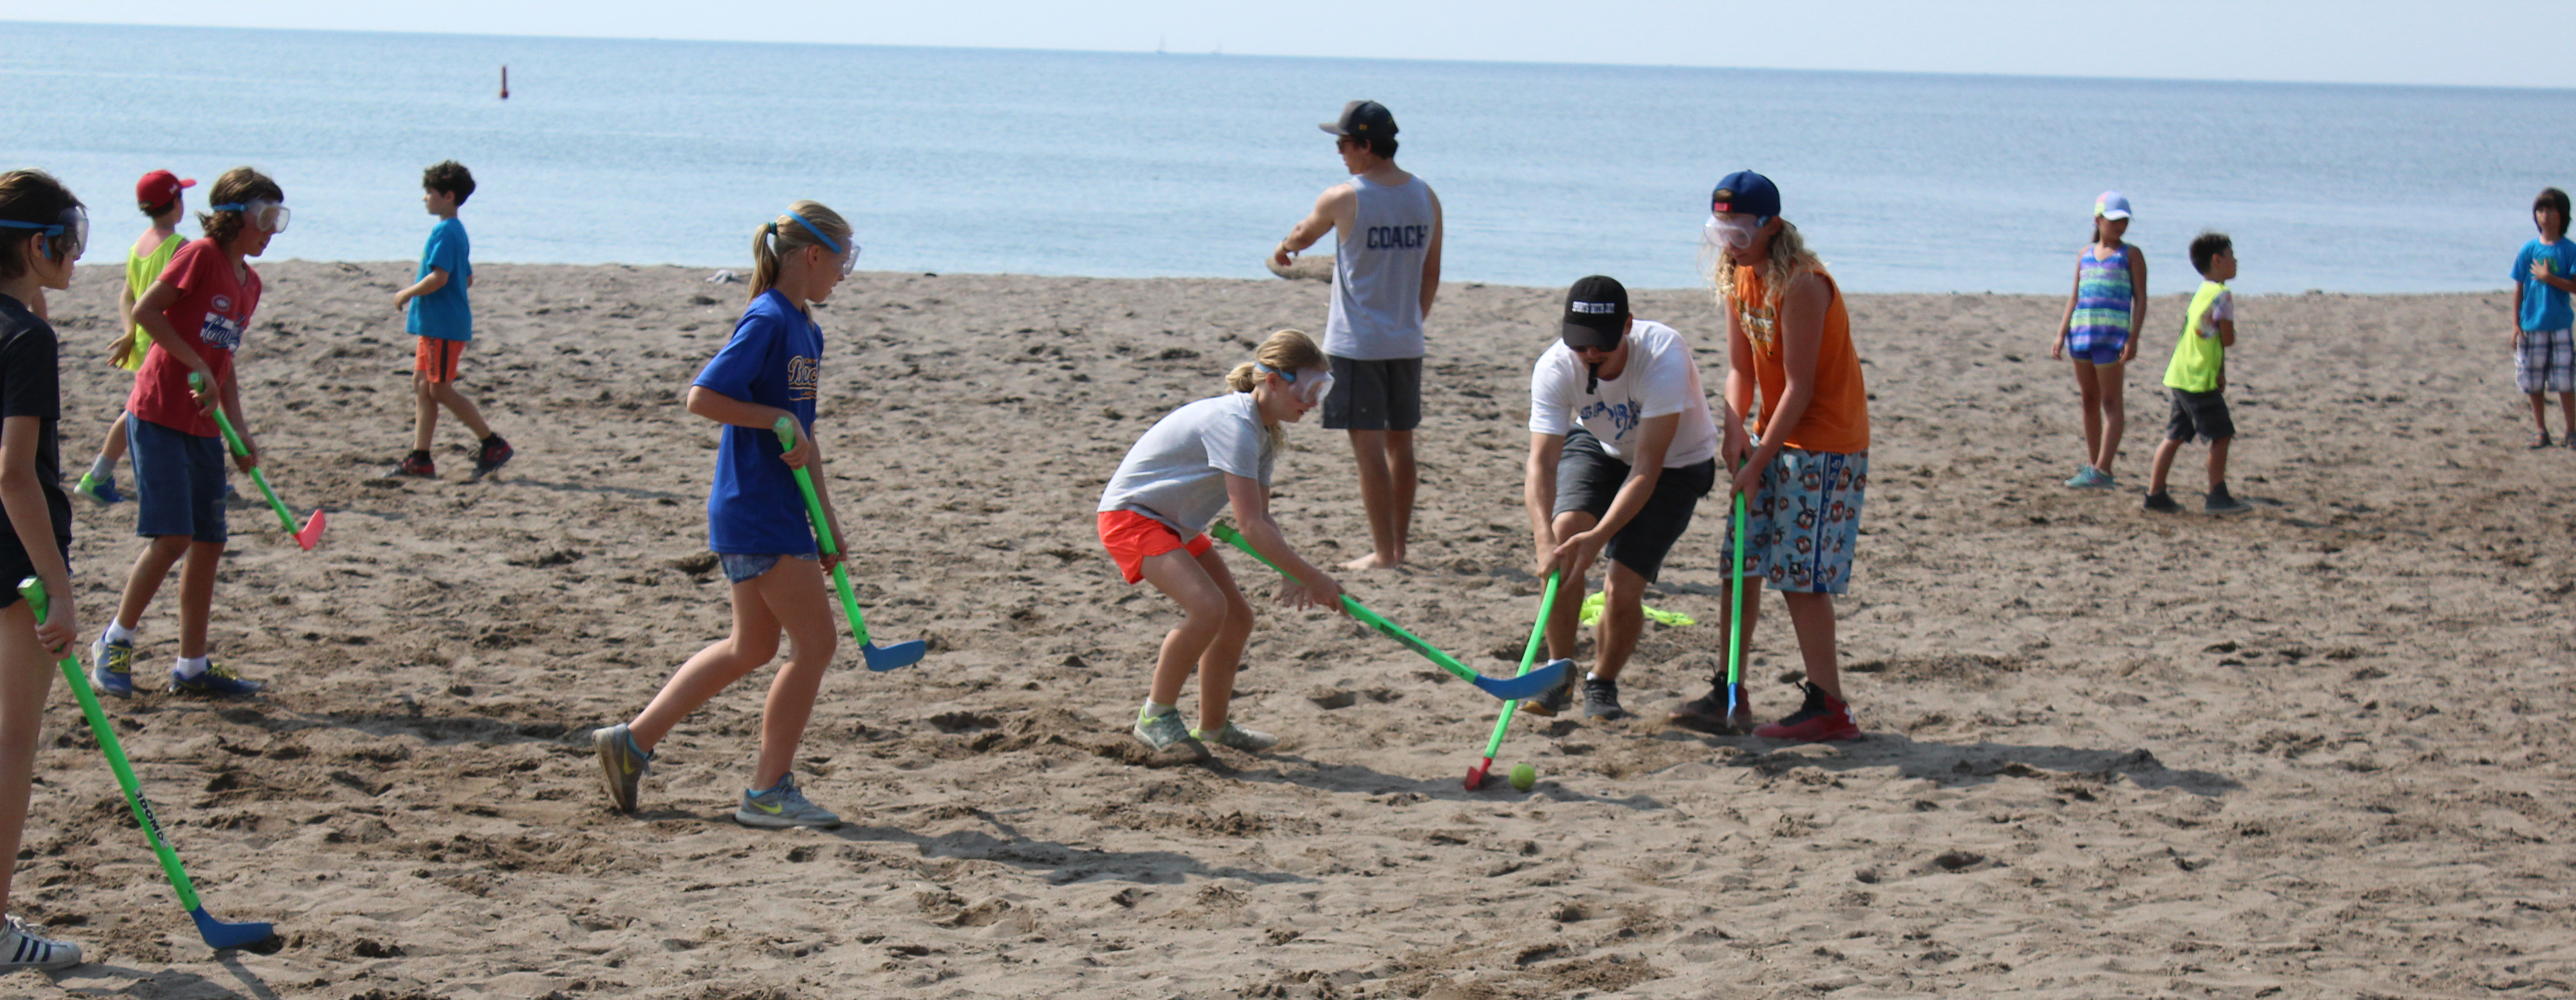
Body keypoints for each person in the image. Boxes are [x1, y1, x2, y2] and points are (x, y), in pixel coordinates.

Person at [593, 202, 859, 828]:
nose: (845, 273)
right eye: (843, 259)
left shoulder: (806, 328)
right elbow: (701, 396)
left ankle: (631, 741)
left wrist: (827, 519)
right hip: (755, 506)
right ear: (812, 254)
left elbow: (805, 434)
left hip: (774, 509)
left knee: (753, 645)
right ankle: (768, 792)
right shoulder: (767, 318)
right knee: (815, 645)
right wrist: (772, 417)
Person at [1668, 170, 1869, 742]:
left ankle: (1829, 705)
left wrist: (1757, 462)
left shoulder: (1802, 284)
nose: (1729, 241)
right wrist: (1734, 435)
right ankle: (1729, 689)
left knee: (1800, 576)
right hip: (1772, 437)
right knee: (1740, 561)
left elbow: (1799, 388)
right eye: (1720, 229)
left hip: (1825, 444)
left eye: (1739, 230)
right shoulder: (1737, 273)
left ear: (1771, 225)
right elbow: (1739, 369)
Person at [88, 166, 287, 699]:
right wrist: (192, 360)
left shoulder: (251, 282)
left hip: (204, 425)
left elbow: (226, 361)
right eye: (266, 216)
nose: (273, 229)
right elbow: (149, 311)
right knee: (173, 536)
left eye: (280, 218)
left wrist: (240, 433)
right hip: (156, 413)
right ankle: (115, 639)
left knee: (209, 542)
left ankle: (192, 667)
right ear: (233, 216)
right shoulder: (199, 255)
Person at [1097, 328, 1344, 755]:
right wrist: (1314, 577)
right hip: (1132, 519)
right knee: (1208, 608)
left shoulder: (1263, 433)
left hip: (1174, 525)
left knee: (1237, 618)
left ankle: (1213, 727)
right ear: (1273, 381)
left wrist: (1294, 573)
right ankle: (1155, 717)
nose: (1314, 402)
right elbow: (1249, 527)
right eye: (1309, 389)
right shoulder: (1234, 423)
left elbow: (1263, 518)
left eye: (1323, 390)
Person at [1520, 276, 1737, 722]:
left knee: (1621, 588)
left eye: (1601, 344)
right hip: (1602, 446)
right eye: (1581, 346)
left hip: (1675, 464)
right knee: (1564, 536)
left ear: (1628, 327)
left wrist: (1599, 537)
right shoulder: (1556, 367)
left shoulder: (1662, 356)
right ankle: (1559, 672)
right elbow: (1540, 465)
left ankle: (1603, 682)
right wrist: (1545, 541)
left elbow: (1646, 469)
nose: (1591, 355)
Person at [1271, 100, 1443, 570]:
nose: (1340, 152)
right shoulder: (1425, 195)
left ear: (1366, 145)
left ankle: (1385, 553)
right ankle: (1399, 546)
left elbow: (1306, 234)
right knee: (1400, 444)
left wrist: (1286, 248)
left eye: (1345, 143)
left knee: (1369, 446)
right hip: (1406, 341)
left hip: (1358, 343)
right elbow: (1432, 273)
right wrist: (1414, 321)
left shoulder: (1346, 196)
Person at [0, 168, 91, 970]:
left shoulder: (22, 325)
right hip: (13, 562)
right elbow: (15, 473)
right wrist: (56, 588)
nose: (74, 253)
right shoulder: (27, 342)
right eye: (65, 241)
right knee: (10, 745)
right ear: (35, 245)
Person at [74, 170, 194, 506]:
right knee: (141, 412)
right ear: (176, 204)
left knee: (150, 410)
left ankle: (101, 475)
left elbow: (128, 297)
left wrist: (130, 333)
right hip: (165, 344)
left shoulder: (139, 245)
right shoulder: (179, 247)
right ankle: (98, 477)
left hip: (145, 343)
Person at [388, 160, 512, 480]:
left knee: (440, 389)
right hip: (433, 326)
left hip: (444, 326)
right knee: (422, 387)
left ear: (448, 196)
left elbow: (440, 277)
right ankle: (421, 457)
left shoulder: (447, 231)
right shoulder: (454, 230)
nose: (425, 199)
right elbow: (466, 278)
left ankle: (492, 442)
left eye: (429, 193)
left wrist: (408, 293)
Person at [2144, 232, 2250, 515]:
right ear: (2218, 260)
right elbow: (2226, 339)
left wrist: (2221, 370)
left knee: (2175, 434)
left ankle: (2155, 493)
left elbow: (2205, 337)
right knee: (2221, 435)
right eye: (2231, 255)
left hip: (2181, 373)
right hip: (2198, 379)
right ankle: (2217, 493)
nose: (2236, 260)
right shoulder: (2222, 295)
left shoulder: (2202, 291)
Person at [2051, 192, 2147, 490]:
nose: (2120, 226)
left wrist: (2133, 338)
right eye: (2114, 220)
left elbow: (2141, 299)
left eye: (2124, 221)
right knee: (2089, 400)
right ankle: (2095, 466)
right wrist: (2061, 331)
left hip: (2112, 337)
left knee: (2111, 402)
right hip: (2082, 335)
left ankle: (2103, 469)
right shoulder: (2085, 254)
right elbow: (2075, 296)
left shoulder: (2131, 255)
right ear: (2098, 220)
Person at [2508, 188, 2576, 449]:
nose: (2544, 215)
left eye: (2550, 210)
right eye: (2540, 210)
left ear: (2562, 215)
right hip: (2531, 325)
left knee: (2565, 381)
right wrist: (2515, 324)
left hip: (2559, 325)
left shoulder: (2569, 249)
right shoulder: (2529, 249)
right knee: (2533, 380)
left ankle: (2572, 431)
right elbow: (2519, 287)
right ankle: (2541, 430)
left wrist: (2550, 279)